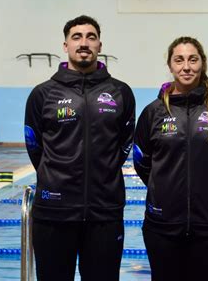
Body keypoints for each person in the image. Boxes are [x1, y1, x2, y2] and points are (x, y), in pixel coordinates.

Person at [24, 15, 135, 281]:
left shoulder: (120, 92)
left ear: (99, 45)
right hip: (54, 212)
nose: (83, 43)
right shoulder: (43, 94)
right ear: (65, 45)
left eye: (90, 37)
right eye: (77, 37)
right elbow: (34, 145)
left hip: (104, 211)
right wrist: (57, 177)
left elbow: (125, 143)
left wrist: (103, 174)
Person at [133, 36, 208, 281]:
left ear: (203, 63)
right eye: (179, 60)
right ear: (170, 65)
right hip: (162, 225)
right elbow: (141, 162)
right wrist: (166, 190)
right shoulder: (153, 113)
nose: (186, 66)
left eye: (192, 59)